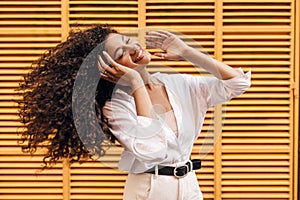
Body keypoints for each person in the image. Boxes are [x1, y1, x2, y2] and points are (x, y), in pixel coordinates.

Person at [18, 24, 251, 200]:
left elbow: (238, 84)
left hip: (190, 186)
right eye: (122, 53)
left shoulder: (179, 84)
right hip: (150, 189)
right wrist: (136, 82)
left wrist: (187, 52)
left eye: (130, 41)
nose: (134, 49)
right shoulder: (115, 107)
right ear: (111, 68)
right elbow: (153, 150)